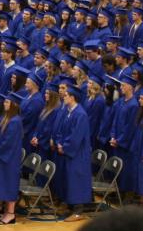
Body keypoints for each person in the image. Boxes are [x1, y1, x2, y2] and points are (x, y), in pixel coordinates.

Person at [57, 84, 93, 222]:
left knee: (77, 180)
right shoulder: (69, 111)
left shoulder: (80, 114)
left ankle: (78, 211)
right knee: (69, 179)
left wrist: (64, 147)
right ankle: (71, 207)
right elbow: (62, 130)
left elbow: (76, 137)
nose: (63, 97)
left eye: (66, 95)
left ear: (73, 97)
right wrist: (60, 143)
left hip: (78, 154)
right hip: (69, 151)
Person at [0, 93, 24, 224]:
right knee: (3, 185)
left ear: (14, 105)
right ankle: (5, 211)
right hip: (3, 157)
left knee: (10, 185)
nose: (4, 104)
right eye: (5, 102)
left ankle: (11, 213)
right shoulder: (6, 118)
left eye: (7, 102)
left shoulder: (15, 121)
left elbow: (8, 142)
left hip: (10, 160)